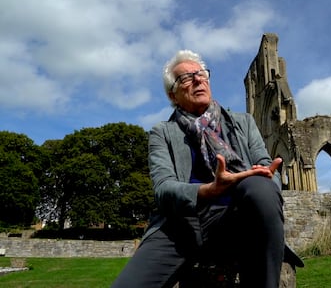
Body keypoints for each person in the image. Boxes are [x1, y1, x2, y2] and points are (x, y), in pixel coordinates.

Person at [112, 50, 301, 288]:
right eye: (187, 78)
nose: (198, 80)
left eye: (201, 74)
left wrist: (265, 176)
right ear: (173, 94)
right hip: (179, 226)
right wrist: (208, 190)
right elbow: (163, 189)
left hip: (237, 219)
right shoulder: (162, 132)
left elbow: (266, 166)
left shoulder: (243, 122)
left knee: (259, 186)